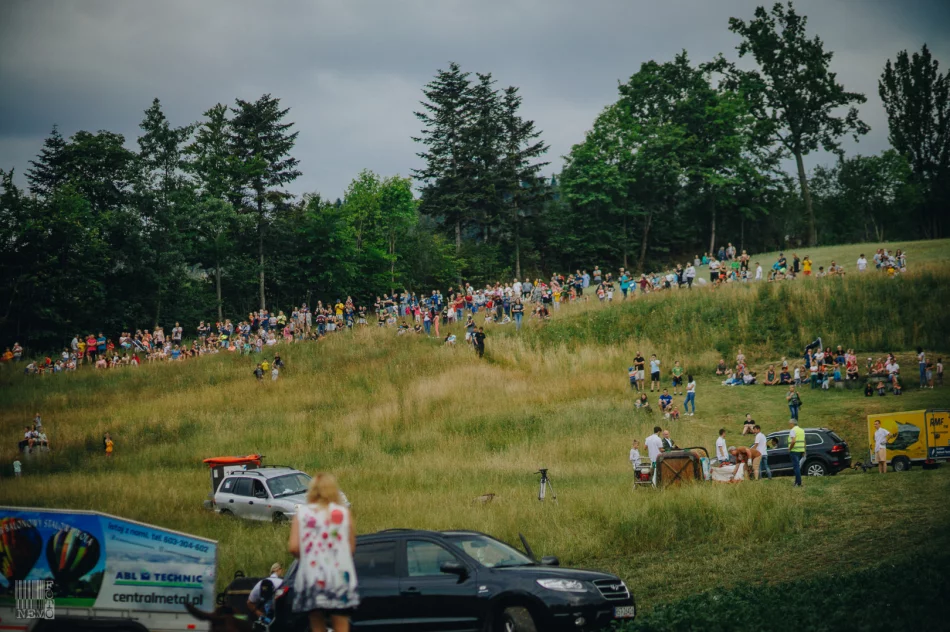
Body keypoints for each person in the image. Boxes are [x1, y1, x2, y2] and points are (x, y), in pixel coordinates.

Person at [288, 473, 358, 632]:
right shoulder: (343, 513)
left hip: (312, 577)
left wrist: (307, 557)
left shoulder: (302, 514)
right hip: (339, 578)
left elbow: (293, 547)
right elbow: (351, 549)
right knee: (341, 624)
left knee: (316, 623)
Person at [788, 420, 805, 487]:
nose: (789, 425)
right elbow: (804, 441)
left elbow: (793, 441)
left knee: (796, 467)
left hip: (794, 450)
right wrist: (804, 450)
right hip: (801, 450)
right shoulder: (802, 430)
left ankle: (798, 483)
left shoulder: (793, 430)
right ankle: (797, 482)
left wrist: (790, 448)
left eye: (789, 424)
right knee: (797, 467)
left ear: (792, 424)